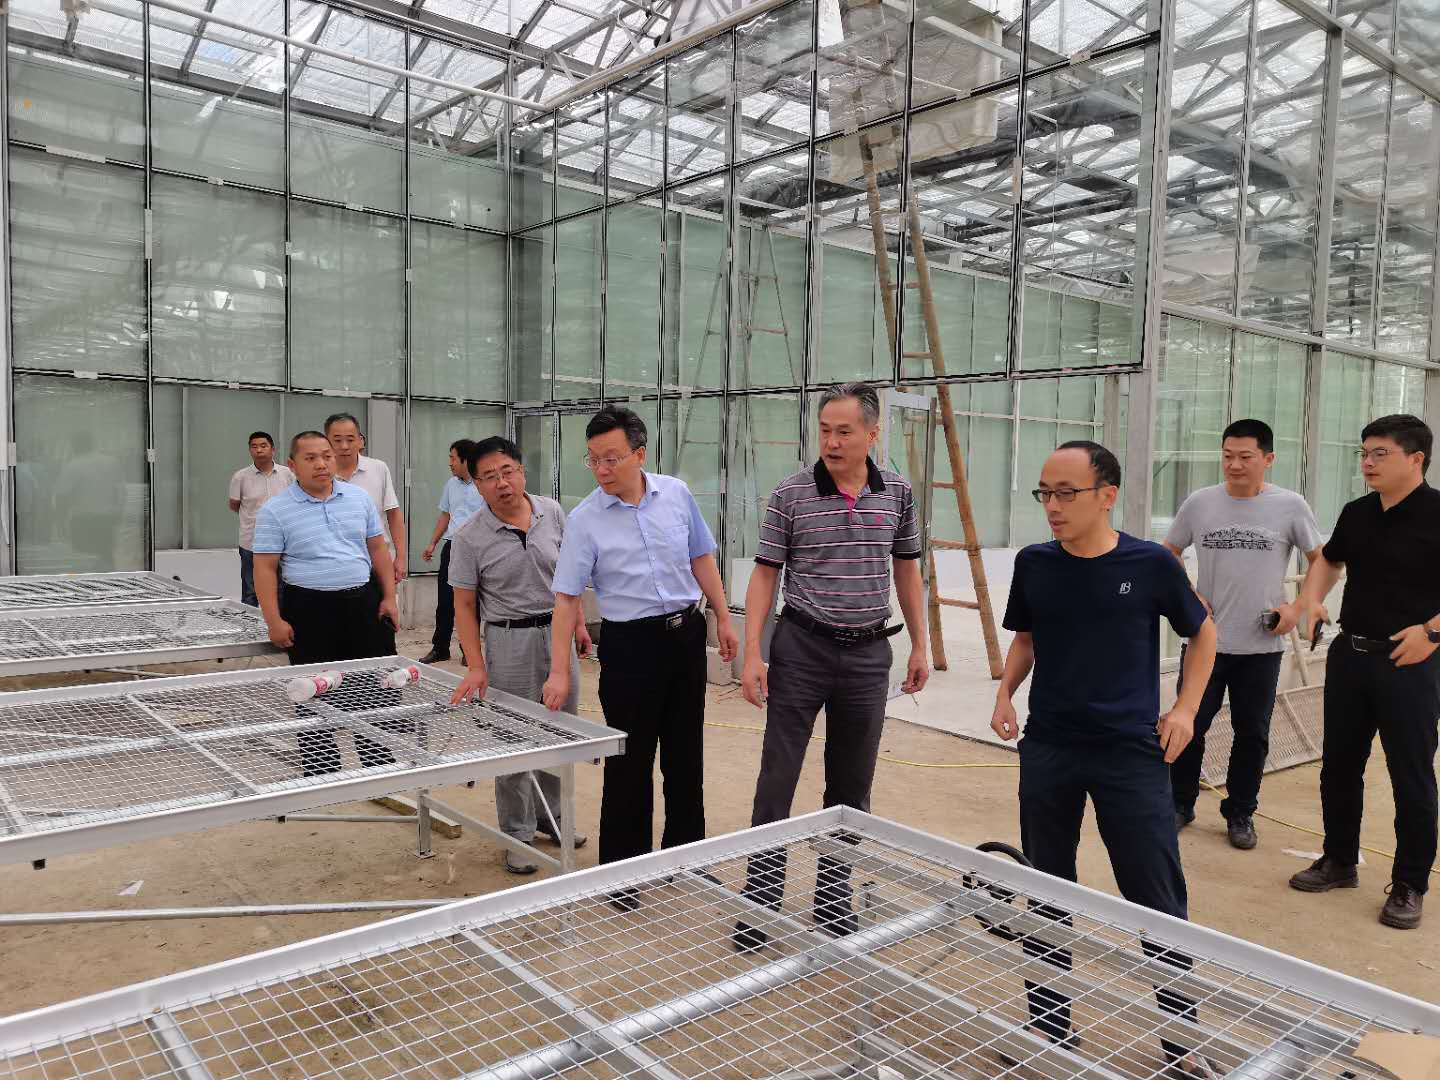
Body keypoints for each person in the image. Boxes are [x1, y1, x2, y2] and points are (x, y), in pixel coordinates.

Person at [991, 441, 1218, 1076]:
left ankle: (1183, 1045)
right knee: (1046, 886)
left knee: (1155, 895)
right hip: (1050, 747)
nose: (1053, 506)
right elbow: (1027, 637)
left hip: (1129, 754)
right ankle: (1050, 1032)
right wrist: (1005, 692)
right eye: (1045, 493)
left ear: (1107, 496)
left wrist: (1185, 710)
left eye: (1066, 493)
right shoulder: (1035, 563)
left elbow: (1203, 632)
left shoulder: (1150, 564)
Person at [733, 382, 930, 951]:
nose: (832, 442)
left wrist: (920, 645)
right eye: (825, 430)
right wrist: (754, 651)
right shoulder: (791, 493)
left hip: (868, 656)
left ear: (872, 434)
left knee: (851, 784)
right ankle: (760, 899)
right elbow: (765, 574)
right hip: (802, 648)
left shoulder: (897, 493)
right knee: (778, 778)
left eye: (844, 431)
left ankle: (833, 899)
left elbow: (907, 570)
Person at [543, 405, 738, 908]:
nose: (601, 469)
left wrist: (723, 616)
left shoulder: (675, 494)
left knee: (685, 753)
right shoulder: (585, 519)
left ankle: (686, 856)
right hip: (630, 646)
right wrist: (559, 670)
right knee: (629, 761)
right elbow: (566, 598)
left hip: (685, 635)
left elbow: (701, 556)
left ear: (639, 454)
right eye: (593, 460)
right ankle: (623, 872)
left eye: (611, 458)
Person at [1290, 414, 1440, 931]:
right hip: (1351, 655)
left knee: (1410, 774)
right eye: (1364, 453)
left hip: (1411, 661)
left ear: (1416, 459)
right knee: (1339, 764)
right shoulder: (1358, 512)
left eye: (1380, 454)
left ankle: (1410, 883)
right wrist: (1312, 599)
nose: (1368, 463)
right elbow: (1330, 561)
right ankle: (1339, 859)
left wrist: (1432, 633)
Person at [1164, 419, 1323, 849]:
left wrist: (1297, 608)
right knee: (1189, 724)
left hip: (1261, 646)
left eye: (1245, 457)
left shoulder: (1289, 506)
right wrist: (1189, 595)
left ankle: (1240, 812)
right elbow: (1168, 552)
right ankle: (1179, 803)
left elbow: (1321, 559)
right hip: (1205, 643)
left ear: (1268, 459)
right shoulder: (1200, 503)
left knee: (1252, 733)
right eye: (1227, 456)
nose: (1234, 465)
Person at [448, 436, 590, 873]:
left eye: (507, 471)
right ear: (476, 484)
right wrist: (476, 665)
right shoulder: (469, 537)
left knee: (559, 731)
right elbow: (464, 606)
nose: (502, 483)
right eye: (489, 477)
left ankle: (552, 818)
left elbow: (569, 576)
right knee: (512, 739)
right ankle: (517, 833)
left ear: (522, 471)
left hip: (558, 633)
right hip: (509, 640)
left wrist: (579, 625)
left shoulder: (553, 512)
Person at [252, 431, 403, 776]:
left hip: (363, 604)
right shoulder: (276, 510)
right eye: (310, 458)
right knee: (312, 691)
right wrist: (273, 620)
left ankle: (378, 766)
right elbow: (265, 568)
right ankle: (322, 772)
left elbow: (378, 549)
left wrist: (389, 597)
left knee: (374, 687)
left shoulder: (359, 499)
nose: (321, 464)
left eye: (327, 456)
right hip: (309, 610)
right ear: (293, 465)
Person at [419, 438, 483, 664]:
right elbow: (445, 515)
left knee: (472, 602)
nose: (450, 463)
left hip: (476, 548)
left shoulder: (483, 484)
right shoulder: (451, 485)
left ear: (466, 460)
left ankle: (469, 651)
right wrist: (432, 543)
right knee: (445, 601)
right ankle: (440, 648)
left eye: (453, 458)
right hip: (452, 546)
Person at [324, 413, 407, 584]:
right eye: (337, 440)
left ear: (360, 440)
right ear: (326, 441)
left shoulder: (378, 468)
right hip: (334, 565)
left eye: (350, 439)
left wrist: (400, 556)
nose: (344, 446)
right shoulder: (319, 474)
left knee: (385, 601)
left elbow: (393, 514)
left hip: (378, 561)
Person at [229, 431, 294, 608]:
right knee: (250, 590)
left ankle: (281, 622)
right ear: (250, 450)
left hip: (282, 541)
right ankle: (250, 623)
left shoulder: (287, 474)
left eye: (263, 446)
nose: (259, 450)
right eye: (254, 446)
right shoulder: (240, 477)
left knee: (282, 589)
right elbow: (234, 505)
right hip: (251, 541)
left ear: (273, 449)